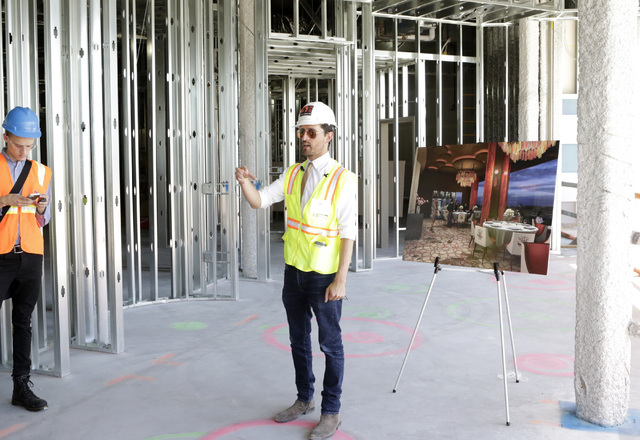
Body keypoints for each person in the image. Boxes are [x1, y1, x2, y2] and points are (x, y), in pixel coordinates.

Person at [235, 102, 357, 440]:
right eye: (301, 131)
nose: (304, 137)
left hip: (324, 277)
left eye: (311, 132)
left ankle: (331, 411)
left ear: (328, 136)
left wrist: (341, 280)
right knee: (298, 340)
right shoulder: (292, 173)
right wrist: (244, 182)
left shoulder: (343, 179)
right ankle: (304, 398)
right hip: (294, 274)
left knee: (330, 344)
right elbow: (259, 201)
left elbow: (348, 232)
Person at [0, 107, 52, 412]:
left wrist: (42, 208)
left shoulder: (42, 172)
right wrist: (4, 201)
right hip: (0, 256)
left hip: (30, 255)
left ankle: (21, 386)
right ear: (6, 136)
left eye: (29, 146)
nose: (24, 151)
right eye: (19, 144)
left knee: (23, 321)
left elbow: (43, 219)